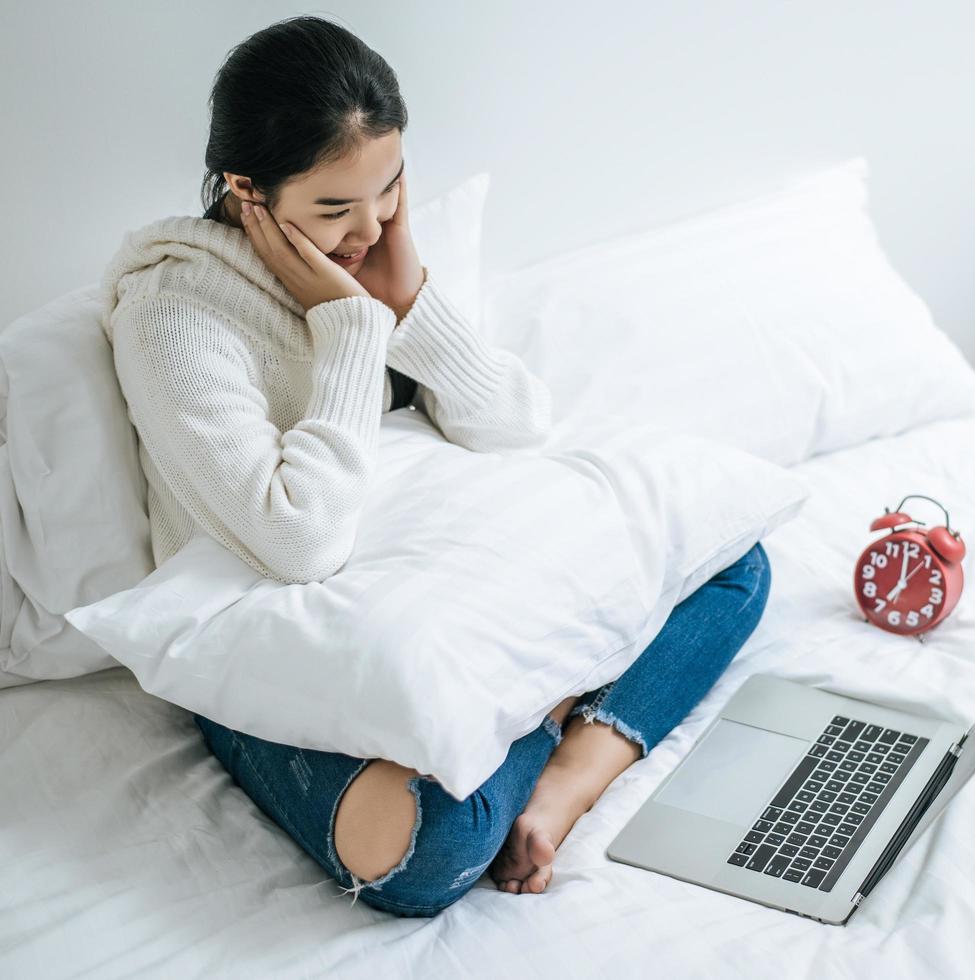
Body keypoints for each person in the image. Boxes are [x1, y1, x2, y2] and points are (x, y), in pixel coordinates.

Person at [99, 14, 773, 917]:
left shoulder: (374, 261)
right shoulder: (172, 314)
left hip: (441, 611)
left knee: (734, 563)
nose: (367, 228)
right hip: (269, 641)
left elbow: (514, 426)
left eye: (387, 193)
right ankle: (557, 698)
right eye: (334, 208)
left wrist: (406, 294)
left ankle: (573, 768)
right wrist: (347, 330)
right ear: (246, 191)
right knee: (428, 851)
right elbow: (296, 541)